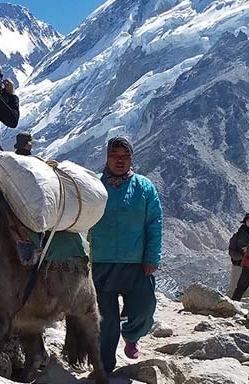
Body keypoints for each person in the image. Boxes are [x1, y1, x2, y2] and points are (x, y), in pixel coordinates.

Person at [91, 136, 163, 374]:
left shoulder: (144, 187)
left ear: (132, 159)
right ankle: (104, 367)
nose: (119, 160)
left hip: (136, 263)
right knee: (106, 319)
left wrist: (152, 257)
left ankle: (131, 336)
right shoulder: (94, 185)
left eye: (125, 156)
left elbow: (154, 223)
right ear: (107, 158)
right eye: (114, 156)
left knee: (145, 309)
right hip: (100, 262)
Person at [228, 213, 249, 299]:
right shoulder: (238, 234)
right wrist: (242, 255)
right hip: (238, 264)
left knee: (246, 290)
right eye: (248, 220)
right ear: (245, 221)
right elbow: (231, 250)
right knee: (233, 287)